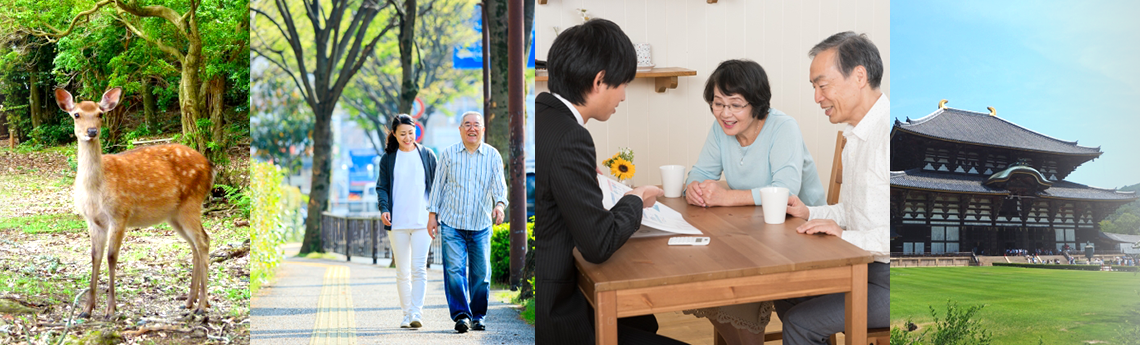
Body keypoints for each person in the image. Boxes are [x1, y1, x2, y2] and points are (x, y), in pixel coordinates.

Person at [534, 18, 684, 345]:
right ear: (600, 81)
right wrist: (635, 199)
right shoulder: (571, 137)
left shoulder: (541, 117)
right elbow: (598, 244)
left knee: (644, 321)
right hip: (555, 316)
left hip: (546, 293)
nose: (624, 97)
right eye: (623, 85)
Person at [679, 59, 827, 345]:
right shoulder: (720, 129)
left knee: (731, 281)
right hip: (754, 232)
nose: (725, 113)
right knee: (711, 270)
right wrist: (692, 188)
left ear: (756, 104)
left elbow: (785, 191)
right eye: (718, 103)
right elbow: (700, 172)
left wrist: (723, 197)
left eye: (735, 105)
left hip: (801, 235)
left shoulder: (783, 127)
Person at [782, 31, 890, 345]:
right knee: (787, 294)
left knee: (799, 324)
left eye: (822, 85)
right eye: (814, 88)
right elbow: (849, 211)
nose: (817, 98)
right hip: (860, 266)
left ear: (859, 76)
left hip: (893, 278)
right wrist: (807, 212)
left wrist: (844, 237)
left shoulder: (892, 137)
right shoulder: (854, 138)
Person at [427, 111, 507, 333]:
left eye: (476, 125)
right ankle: (462, 315)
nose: (472, 128)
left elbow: (500, 187)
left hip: (481, 224)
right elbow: (438, 187)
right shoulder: (448, 154)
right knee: (454, 271)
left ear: (483, 130)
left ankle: (479, 315)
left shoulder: (492, 156)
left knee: (481, 275)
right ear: (460, 129)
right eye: (467, 124)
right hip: (452, 223)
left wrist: (500, 205)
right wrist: (432, 215)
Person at [376, 114, 437, 329]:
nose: (408, 137)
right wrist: (384, 208)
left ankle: (416, 313)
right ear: (394, 134)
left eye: (411, 133)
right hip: (398, 222)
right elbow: (381, 187)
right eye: (402, 134)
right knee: (402, 270)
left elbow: (436, 187)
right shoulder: (389, 158)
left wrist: (435, 215)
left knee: (419, 268)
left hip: (423, 221)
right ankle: (405, 313)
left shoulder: (427, 155)